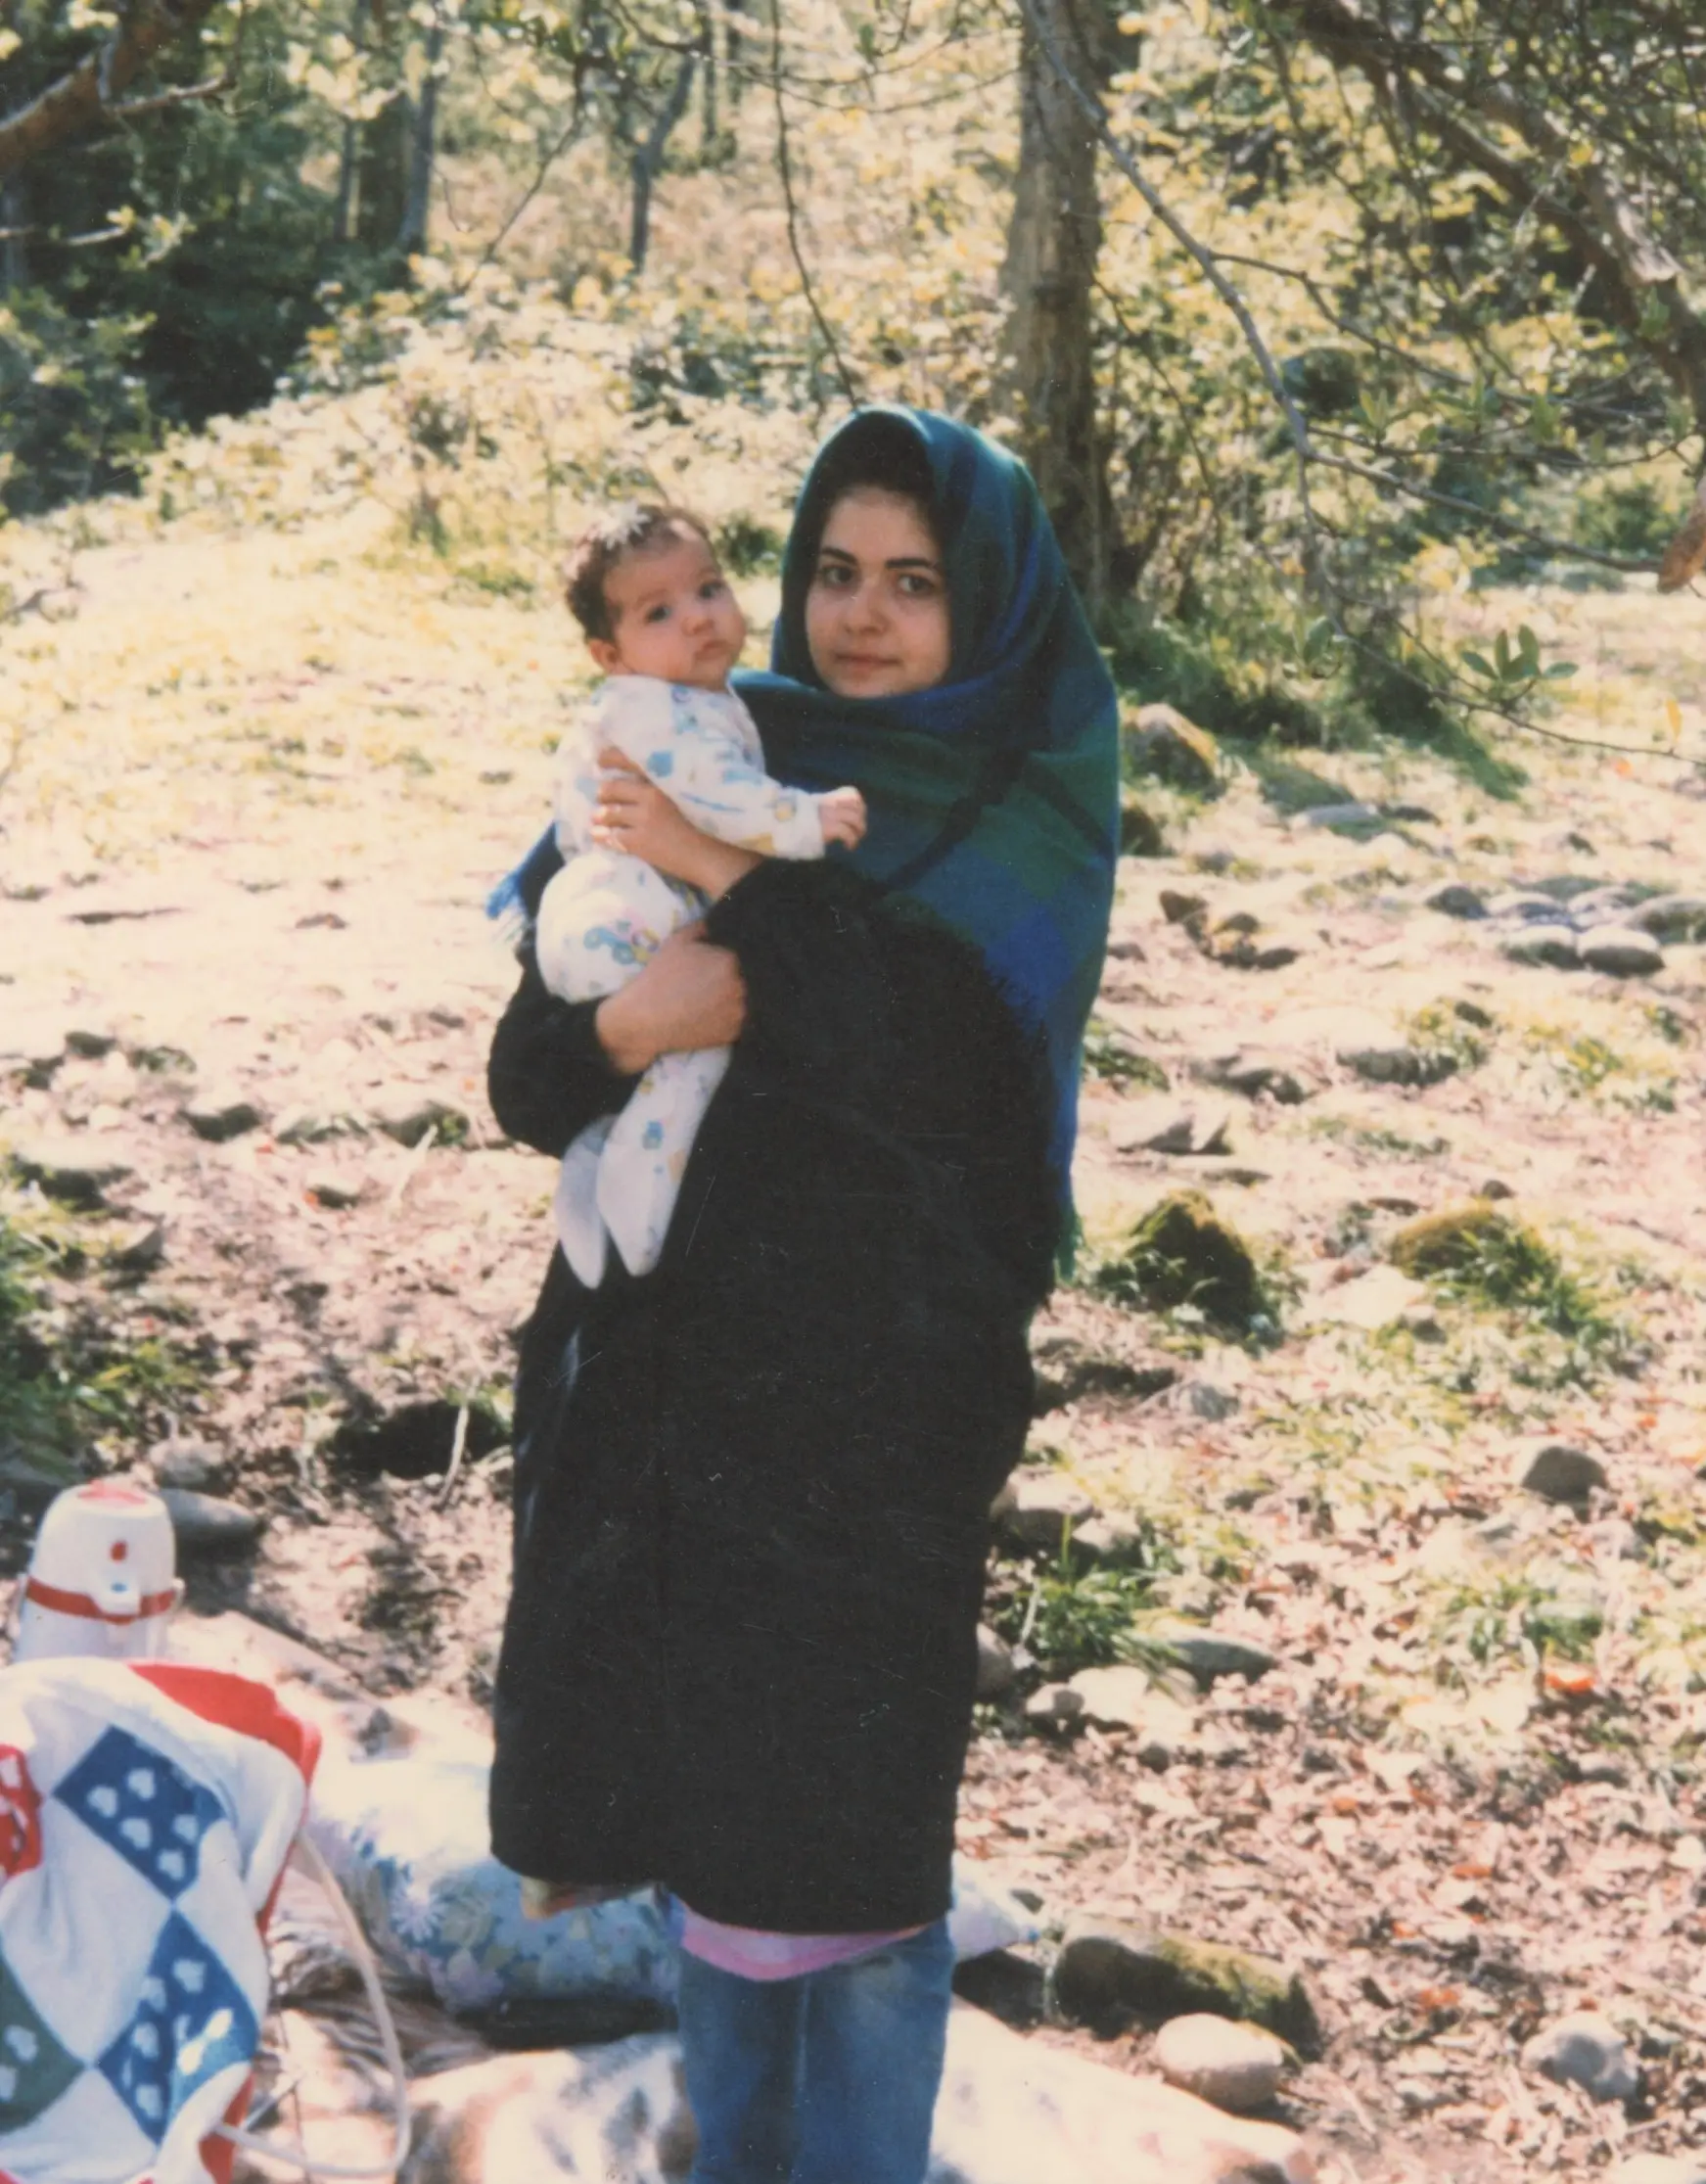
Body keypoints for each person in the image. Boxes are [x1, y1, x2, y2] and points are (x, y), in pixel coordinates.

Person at [484, 405, 1120, 2184]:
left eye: (913, 582)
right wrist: (635, 1015)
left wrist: (724, 883)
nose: (858, 616)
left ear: (982, 604)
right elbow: (530, 1072)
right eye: (830, 571)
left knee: (845, 1841)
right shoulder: (708, 738)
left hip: (882, 1403)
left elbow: (926, 1084)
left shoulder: (1019, 803)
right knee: (704, 1812)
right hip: (676, 1390)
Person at [535, 503, 866, 1287]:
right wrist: (805, 819)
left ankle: (601, 1161)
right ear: (609, 654)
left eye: (709, 589)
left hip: (623, 903)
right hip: (618, 910)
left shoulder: (706, 699)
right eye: (660, 611)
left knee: (687, 1046)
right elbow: (717, 792)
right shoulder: (652, 707)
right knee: (702, 1036)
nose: (697, 620)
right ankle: (638, 1206)